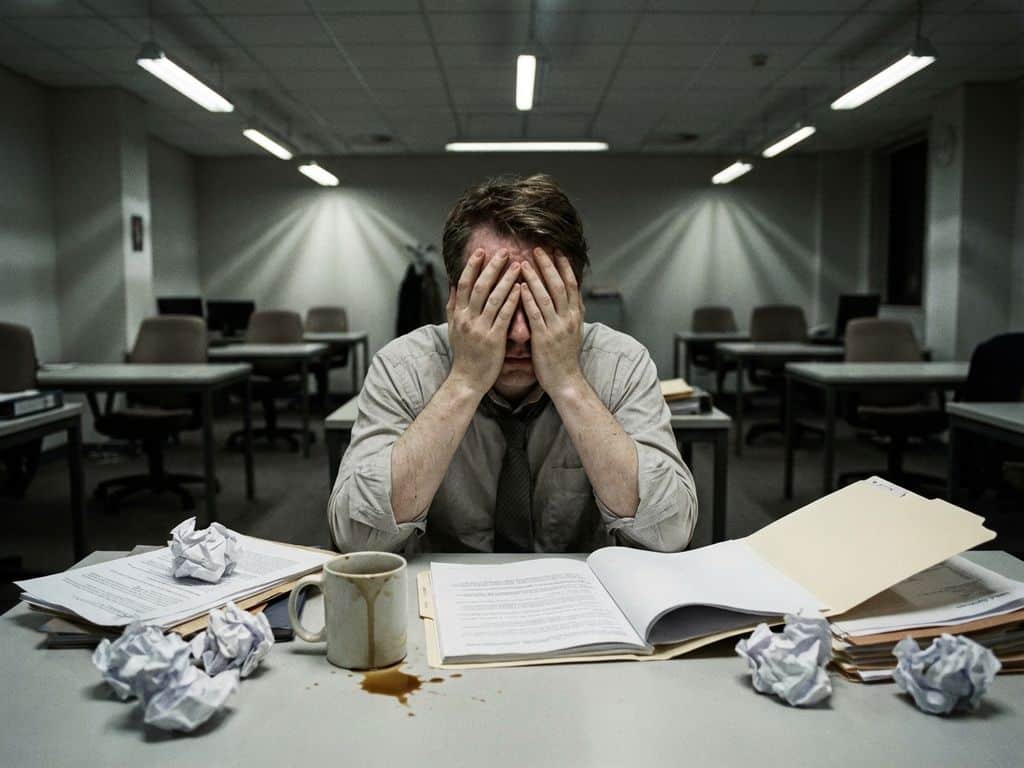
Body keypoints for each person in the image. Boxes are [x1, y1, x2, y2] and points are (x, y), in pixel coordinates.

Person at [328, 174, 697, 553]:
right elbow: (359, 540)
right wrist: (465, 382)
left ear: (575, 300)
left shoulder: (622, 364)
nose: (520, 332)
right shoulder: (403, 367)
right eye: (495, 300)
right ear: (455, 300)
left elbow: (667, 533)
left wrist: (569, 382)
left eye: (542, 302)